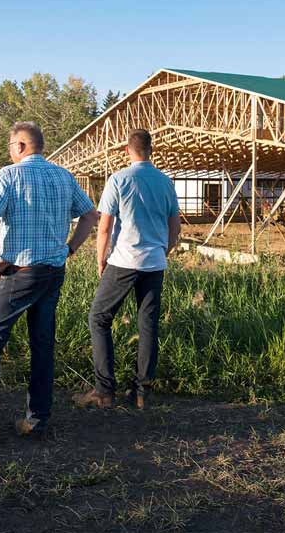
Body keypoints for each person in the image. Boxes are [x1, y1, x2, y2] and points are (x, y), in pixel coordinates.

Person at [0, 122, 98, 444]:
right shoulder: (63, 176)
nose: (9, 152)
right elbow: (89, 215)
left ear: (21, 146)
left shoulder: (8, 176)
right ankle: (37, 420)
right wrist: (70, 248)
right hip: (53, 271)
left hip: (21, 272)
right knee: (42, 345)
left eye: (11, 146)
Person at [73, 129, 180, 411]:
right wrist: (163, 251)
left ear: (126, 150)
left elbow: (105, 225)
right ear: (151, 150)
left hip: (124, 260)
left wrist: (101, 259)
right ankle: (142, 392)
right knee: (147, 325)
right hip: (155, 263)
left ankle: (104, 390)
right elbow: (175, 227)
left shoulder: (119, 179)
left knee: (99, 317)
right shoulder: (165, 182)